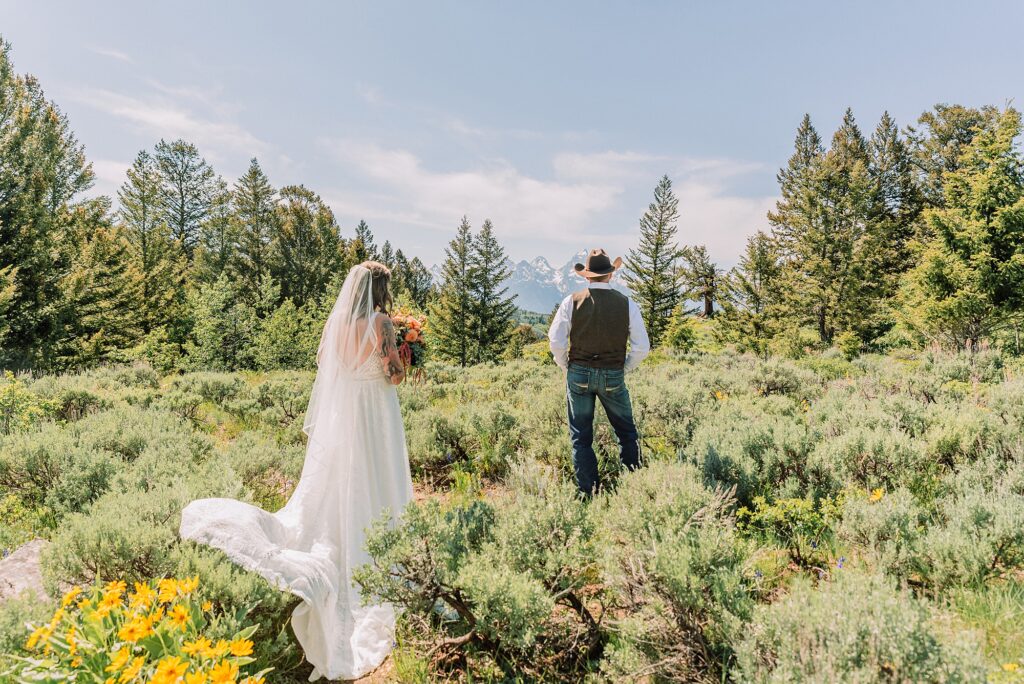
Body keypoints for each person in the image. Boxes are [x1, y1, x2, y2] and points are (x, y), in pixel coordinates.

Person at [179, 262, 413, 681]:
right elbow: (393, 374)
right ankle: (380, 536)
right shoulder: (381, 322)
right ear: (379, 288)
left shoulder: (338, 321)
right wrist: (406, 357)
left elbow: (331, 365)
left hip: (345, 416)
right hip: (374, 412)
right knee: (376, 472)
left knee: (343, 476)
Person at [548, 249, 650, 496]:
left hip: (579, 374)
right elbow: (642, 347)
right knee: (626, 432)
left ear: (587, 277)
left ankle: (588, 491)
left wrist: (566, 366)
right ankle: (634, 487)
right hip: (612, 374)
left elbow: (556, 341)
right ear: (610, 276)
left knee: (581, 437)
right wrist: (623, 367)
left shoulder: (571, 301)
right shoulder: (627, 304)